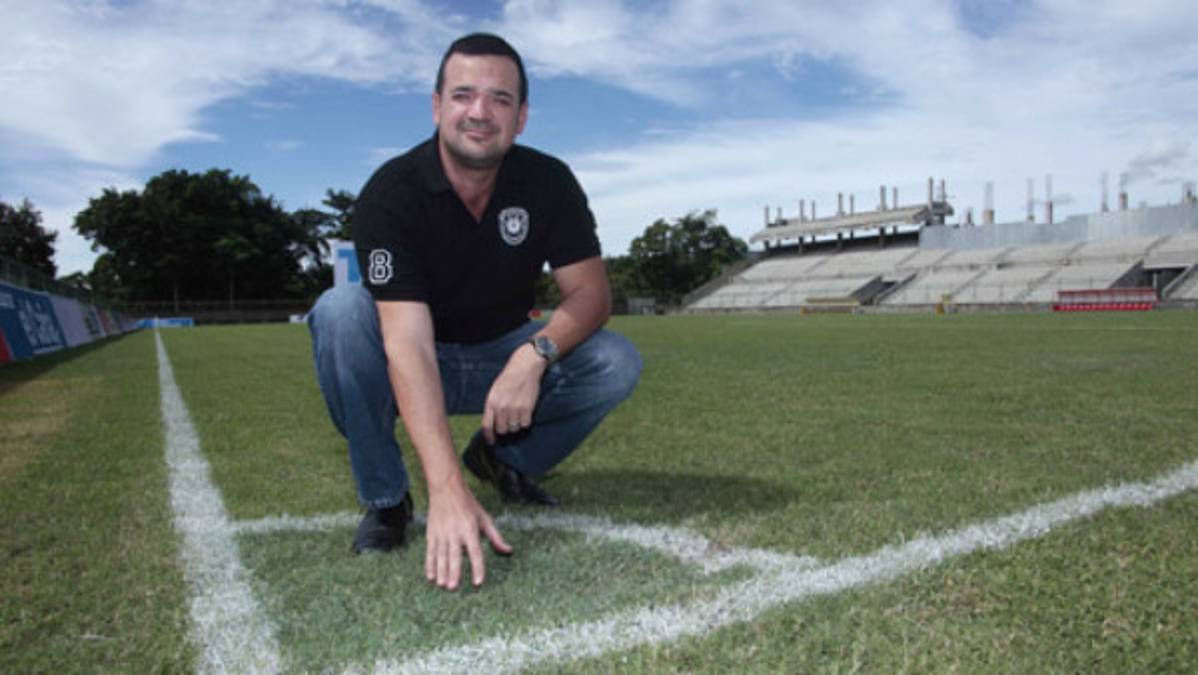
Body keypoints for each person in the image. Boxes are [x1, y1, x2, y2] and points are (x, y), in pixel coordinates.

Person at [307, 33, 642, 592]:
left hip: (502, 354)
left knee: (615, 359)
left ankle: (502, 459)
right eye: (463, 96)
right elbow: (406, 343)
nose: (480, 113)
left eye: (500, 99)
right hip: (418, 356)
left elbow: (592, 295)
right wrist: (443, 487)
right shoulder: (392, 192)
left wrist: (534, 356)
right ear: (437, 106)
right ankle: (387, 501)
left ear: (522, 116)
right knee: (341, 312)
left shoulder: (548, 181)